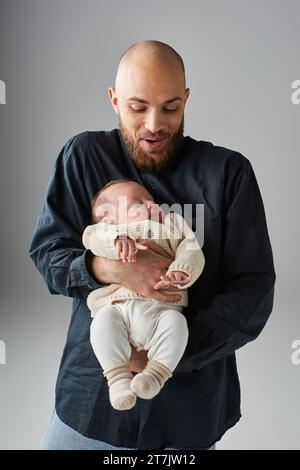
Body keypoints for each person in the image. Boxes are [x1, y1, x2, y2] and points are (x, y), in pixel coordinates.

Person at [28, 40, 276, 450]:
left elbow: (253, 289)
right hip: (92, 399)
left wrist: (172, 351)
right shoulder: (84, 156)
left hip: (187, 411)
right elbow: (48, 252)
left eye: (171, 107)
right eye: (137, 107)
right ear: (113, 99)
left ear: (187, 99)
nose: (154, 125)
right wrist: (114, 268)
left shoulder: (228, 173)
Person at [82, 179, 205, 411]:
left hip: (163, 311)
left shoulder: (172, 223)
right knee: (102, 323)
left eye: (152, 200)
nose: (151, 205)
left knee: (177, 325)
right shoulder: (109, 231)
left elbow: (191, 248)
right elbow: (90, 238)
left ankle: (155, 375)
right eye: (138, 203)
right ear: (109, 217)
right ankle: (117, 379)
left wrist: (183, 269)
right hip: (118, 307)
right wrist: (114, 241)